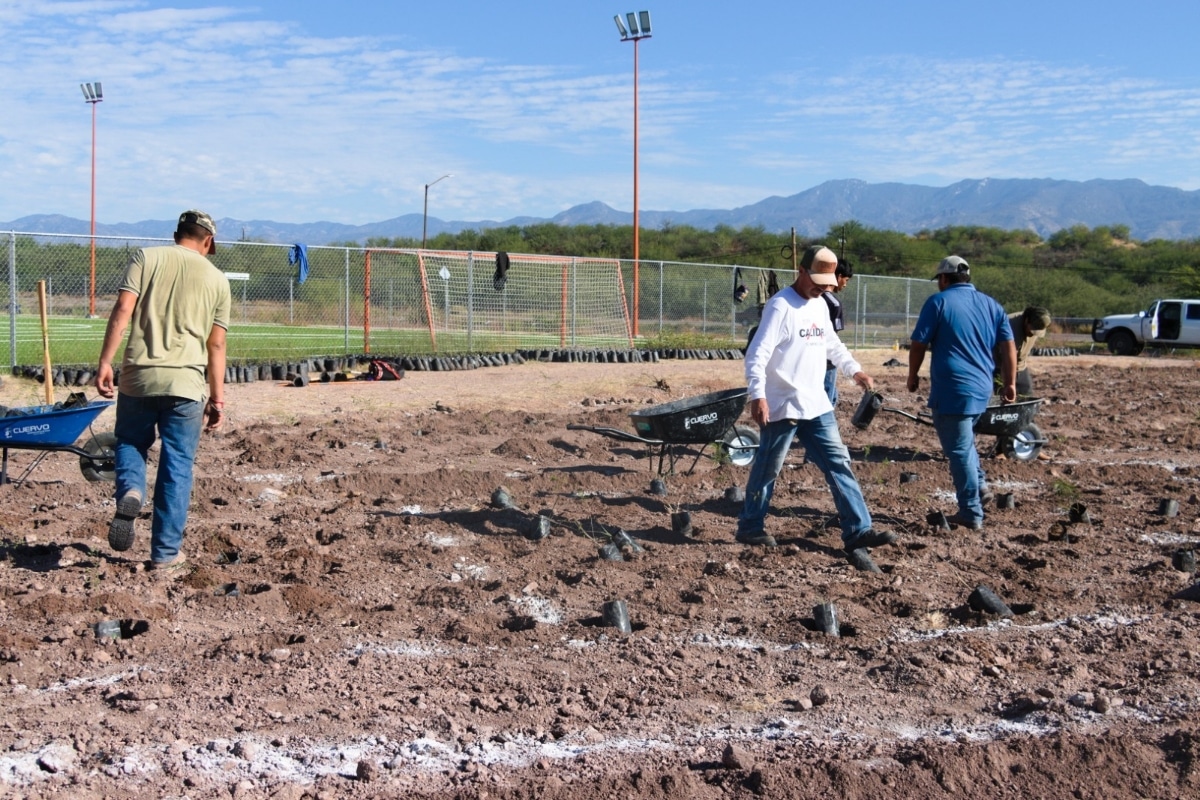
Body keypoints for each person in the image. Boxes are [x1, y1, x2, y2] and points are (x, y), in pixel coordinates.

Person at [737, 246, 897, 563]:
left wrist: (855, 370)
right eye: (819, 281)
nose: (823, 288)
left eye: (827, 283)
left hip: (816, 403)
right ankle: (750, 526)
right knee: (768, 469)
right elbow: (757, 354)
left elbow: (831, 344)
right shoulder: (780, 306)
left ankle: (858, 530)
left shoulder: (821, 305)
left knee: (839, 464)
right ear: (802, 270)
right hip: (782, 404)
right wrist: (758, 395)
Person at [95, 210, 232, 571]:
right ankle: (165, 555)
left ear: (176, 234)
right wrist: (217, 399)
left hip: (138, 376)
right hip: (186, 384)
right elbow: (216, 346)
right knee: (177, 465)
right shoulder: (218, 280)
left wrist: (106, 362)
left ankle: (130, 491)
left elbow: (124, 308)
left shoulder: (146, 257)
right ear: (208, 241)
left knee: (129, 442)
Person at [907, 256, 1016, 532]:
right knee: (965, 444)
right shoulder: (992, 304)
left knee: (958, 452)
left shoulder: (938, 302)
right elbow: (1008, 346)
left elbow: (918, 343)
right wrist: (1011, 382)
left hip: (953, 388)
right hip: (982, 389)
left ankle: (970, 511)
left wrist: (912, 375)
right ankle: (979, 488)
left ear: (944, 279)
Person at [821, 258, 853, 405]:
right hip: (826, 361)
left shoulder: (813, 297)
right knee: (828, 399)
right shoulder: (834, 303)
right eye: (845, 279)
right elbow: (832, 337)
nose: (845, 284)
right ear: (838, 276)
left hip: (810, 359)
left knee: (831, 396)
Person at [1000, 306, 1051, 396]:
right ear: (1027, 321)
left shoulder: (1037, 324)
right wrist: (1009, 384)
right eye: (1032, 330)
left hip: (1020, 365)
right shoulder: (1009, 326)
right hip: (1001, 366)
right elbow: (1007, 358)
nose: (1032, 334)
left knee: (1026, 394)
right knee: (1003, 396)